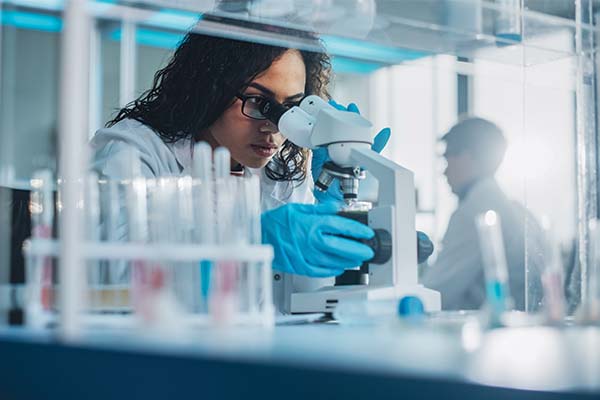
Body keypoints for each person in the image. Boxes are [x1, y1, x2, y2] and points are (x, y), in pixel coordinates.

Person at [90, 30, 396, 313]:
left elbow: (303, 301)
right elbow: (118, 283)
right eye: (258, 102)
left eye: (292, 107)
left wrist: (331, 207)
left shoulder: (281, 173)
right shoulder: (135, 151)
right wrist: (253, 240)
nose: (273, 126)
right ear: (208, 88)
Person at [421, 117, 543, 311]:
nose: (444, 172)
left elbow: (435, 293)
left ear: (467, 157)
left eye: (447, 158)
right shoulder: (514, 208)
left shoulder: (475, 211)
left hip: (498, 334)